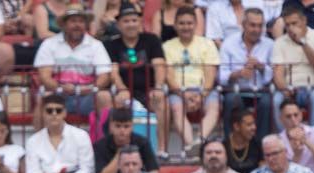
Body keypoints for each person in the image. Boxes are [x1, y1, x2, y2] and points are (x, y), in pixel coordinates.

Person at [105, 2, 168, 156]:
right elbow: (113, 71)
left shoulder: (151, 40)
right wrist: (121, 88)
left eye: (134, 20)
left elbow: (159, 65)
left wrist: (158, 87)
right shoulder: (112, 44)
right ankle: (117, 150)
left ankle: (161, 149)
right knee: (116, 103)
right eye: (126, 21)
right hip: (124, 91)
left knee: (161, 101)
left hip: (149, 89)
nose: (131, 24)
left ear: (140, 22)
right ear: (119, 24)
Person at [34, 4, 112, 120]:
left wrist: (91, 88)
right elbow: (45, 77)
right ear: (64, 24)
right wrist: (60, 87)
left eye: (81, 21)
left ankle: (105, 137)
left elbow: (105, 76)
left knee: (104, 96)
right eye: (73, 21)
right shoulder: (49, 44)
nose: (77, 25)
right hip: (59, 94)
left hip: (88, 94)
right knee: (44, 97)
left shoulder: (96, 45)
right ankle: (40, 138)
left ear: (86, 25)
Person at [163, 5, 221, 159]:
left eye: (189, 23)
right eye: (181, 23)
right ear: (175, 25)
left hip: (204, 90)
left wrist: (202, 95)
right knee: (176, 108)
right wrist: (183, 94)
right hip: (178, 91)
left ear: (195, 24)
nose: (186, 27)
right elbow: (168, 76)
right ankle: (192, 146)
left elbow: (210, 74)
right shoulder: (167, 46)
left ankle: (199, 141)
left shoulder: (207, 44)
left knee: (214, 107)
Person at [24, 93, 94, 173]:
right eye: (49, 111)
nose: (54, 114)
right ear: (43, 114)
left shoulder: (81, 136)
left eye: (58, 110)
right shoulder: (33, 141)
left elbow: (87, 169)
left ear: (65, 113)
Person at [271, 3, 314, 135]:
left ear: (304, 21)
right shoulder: (280, 42)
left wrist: (302, 42)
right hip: (290, 89)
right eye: (288, 25)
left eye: (294, 23)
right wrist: (285, 89)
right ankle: (285, 140)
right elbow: (278, 74)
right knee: (276, 98)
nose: (291, 28)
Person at [218, 7, 273, 139]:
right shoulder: (229, 44)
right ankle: (231, 144)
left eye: (260, 26)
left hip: (261, 91)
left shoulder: (270, 44)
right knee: (231, 100)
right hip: (236, 91)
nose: (257, 30)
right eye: (253, 25)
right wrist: (238, 74)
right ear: (243, 25)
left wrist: (261, 67)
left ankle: (260, 147)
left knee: (267, 102)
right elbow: (221, 76)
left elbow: (273, 75)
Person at [92, 107, 160, 173]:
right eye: (118, 126)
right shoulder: (100, 146)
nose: (122, 131)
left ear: (132, 126)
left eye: (126, 126)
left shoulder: (142, 142)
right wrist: (121, 153)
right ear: (111, 126)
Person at [226, 107, 263, 173]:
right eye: (249, 125)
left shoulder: (258, 144)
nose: (254, 127)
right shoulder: (224, 147)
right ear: (236, 126)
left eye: (254, 124)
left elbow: (263, 171)